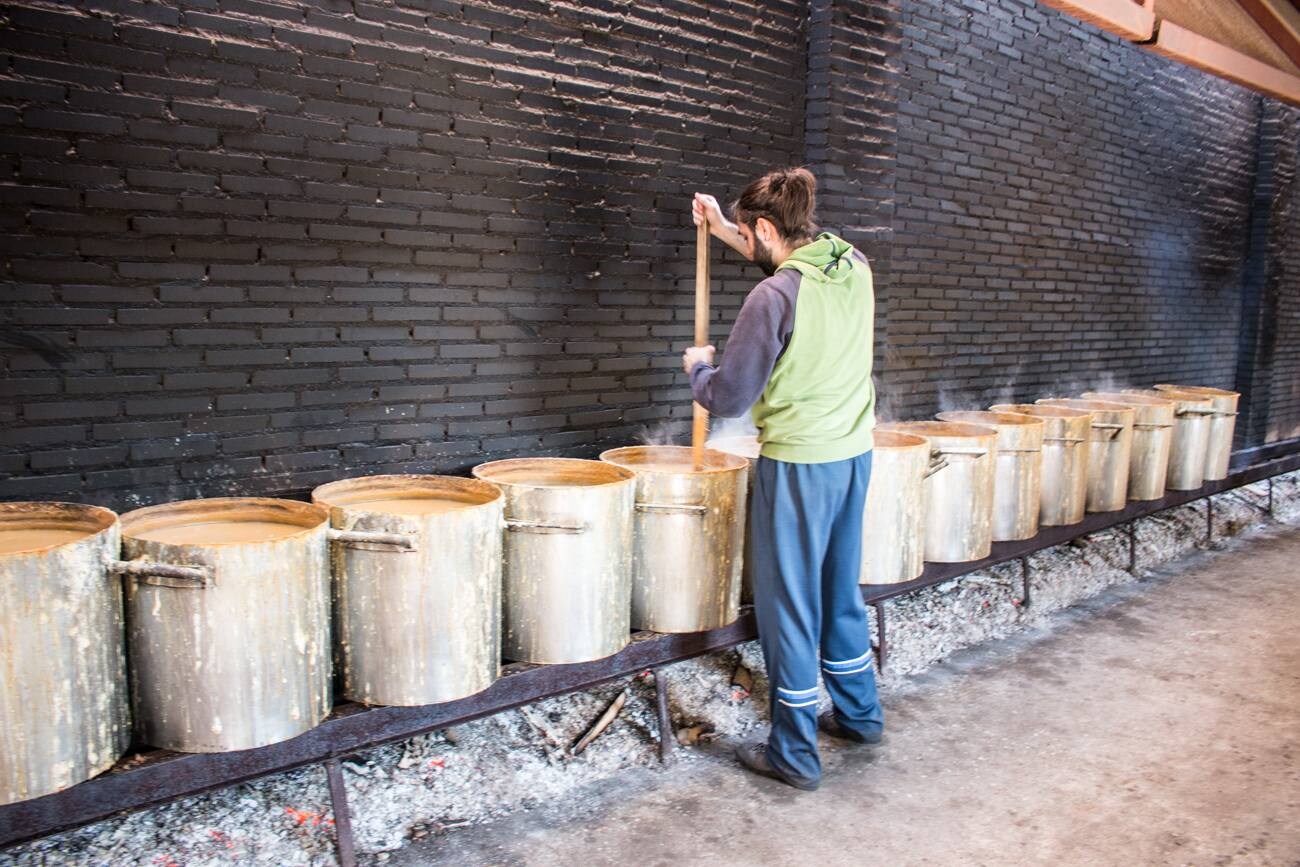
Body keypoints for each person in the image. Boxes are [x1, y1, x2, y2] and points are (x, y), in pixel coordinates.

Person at [684, 167, 883, 791]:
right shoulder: (851, 263)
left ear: (767, 228)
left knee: (789, 606)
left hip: (800, 465)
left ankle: (794, 754)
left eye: (748, 233)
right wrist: (719, 227)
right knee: (837, 589)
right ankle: (860, 715)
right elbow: (781, 262)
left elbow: (732, 396)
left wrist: (699, 370)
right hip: (854, 455)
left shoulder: (770, 299)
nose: (748, 243)